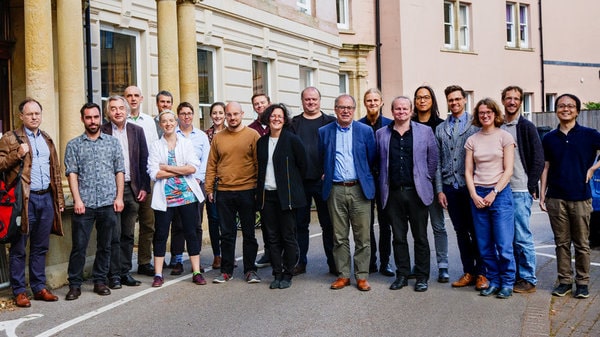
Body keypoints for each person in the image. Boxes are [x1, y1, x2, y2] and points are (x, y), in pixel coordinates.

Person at [0, 98, 64, 308]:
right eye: (29, 114)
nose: (34, 117)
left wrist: (59, 200)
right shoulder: (10, 138)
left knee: (40, 246)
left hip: (45, 198)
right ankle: (19, 291)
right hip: (23, 199)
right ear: (21, 116)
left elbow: (55, 173)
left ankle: (38, 287)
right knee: (19, 247)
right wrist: (17, 155)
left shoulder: (46, 139)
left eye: (37, 113)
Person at [540, 93, 600, 299]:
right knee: (561, 243)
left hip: (581, 197)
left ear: (577, 110)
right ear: (556, 110)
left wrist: (592, 169)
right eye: (561, 106)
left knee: (582, 243)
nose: (565, 109)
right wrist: (542, 195)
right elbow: (545, 167)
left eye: (570, 106)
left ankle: (582, 283)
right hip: (556, 197)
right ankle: (564, 281)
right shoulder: (548, 138)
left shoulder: (590, 134)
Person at [64, 102, 125, 300]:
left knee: (105, 245)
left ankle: (100, 280)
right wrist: (77, 200)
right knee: (79, 246)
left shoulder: (112, 143)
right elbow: (72, 174)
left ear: (101, 118)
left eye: (95, 117)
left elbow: (119, 171)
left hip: (108, 202)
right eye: (88, 117)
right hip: (85, 204)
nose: (92, 121)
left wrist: (119, 197)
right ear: (83, 119)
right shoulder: (74, 145)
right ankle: (74, 284)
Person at [377, 96, 438, 292]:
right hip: (393, 193)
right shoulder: (381, 134)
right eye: (397, 109)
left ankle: (421, 276)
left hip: (417, 193)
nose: (401, 111)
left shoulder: (425, 131)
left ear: (411, 110)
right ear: (392, 111)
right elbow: (378, 161)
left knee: (420, 236)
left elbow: (433, 159)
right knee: (399, 237)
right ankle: (402, 274)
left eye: (404, 108)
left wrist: (425, 178)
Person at [319, 94, 376, 291]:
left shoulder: (365, 131)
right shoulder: (324, 132)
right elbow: (320, 157)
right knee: (339, 236)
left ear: (354, 109)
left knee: (363, 236)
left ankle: (361, 276)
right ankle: (343, 275)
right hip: (335, 189)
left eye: (349, 107)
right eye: (341, 107)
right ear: (335, 110)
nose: (345, 111)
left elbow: (372, 159)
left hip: (359, 189)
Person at [435, 85, 488, 291]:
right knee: (460, 231)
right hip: (450, 187)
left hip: (473, 186)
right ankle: (469, 271)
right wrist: (440, 189)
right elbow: (438, 162)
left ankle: (482, 272)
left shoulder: (475, 125)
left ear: (464, 100)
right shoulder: (440, 129)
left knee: (478, 230)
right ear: (447, 102)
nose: (454, 103)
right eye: (451, 100)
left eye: (458, 99)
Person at [147, 110, 206, 287]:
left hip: (186, 196)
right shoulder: (156, 146)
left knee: (191, 233)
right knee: (161, 235)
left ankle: (196, 272)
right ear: (160, 125)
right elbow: (154, 172)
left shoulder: (186, 143)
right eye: (164, 121)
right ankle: (158, 274)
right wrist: (179, 168)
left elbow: (192, 168)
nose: (168, 124)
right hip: (165, 198)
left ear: (175, 122)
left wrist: (168, 167)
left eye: (171, 120)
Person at [465, 98, 516, 299]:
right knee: (484, 245)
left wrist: (494, 192)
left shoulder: (505, 137)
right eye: (481, 113)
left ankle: (508, 283)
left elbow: (509, 170)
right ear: (477, 116)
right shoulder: (472, 140)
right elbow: (468, 171)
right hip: (478, 194)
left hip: (500, 195)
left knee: (503, 245)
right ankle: (493, 281)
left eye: (489, 112)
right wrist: (474, 195)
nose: (485, 115)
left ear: (495, 114)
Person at [205, 101, 261, 284]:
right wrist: (209, 188)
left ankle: (250, 270)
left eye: (235, 114)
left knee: (249, 234)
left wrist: (257, 190)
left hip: (247, 190)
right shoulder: (218, 137)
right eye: (229, 115)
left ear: (242, 114)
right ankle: (226, 270)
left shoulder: (253, 135)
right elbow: (212, 164)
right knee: (226, 234)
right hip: (224, 191)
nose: (232, 118)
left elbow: (258, 164)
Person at [101, 95, 150, 289]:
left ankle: (124, 272)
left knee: (128, 234)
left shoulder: (137, 131)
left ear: (127, 110)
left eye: (121, 108)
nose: (118, 112)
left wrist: (144, 187)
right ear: (108, 112)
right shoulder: (103, 131)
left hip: (132, 188)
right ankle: (112, 274)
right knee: (113, 233)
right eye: (113, 108)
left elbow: (144, 160)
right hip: (110, 190)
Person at [256, 103, 307, 289]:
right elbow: (259, 169)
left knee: (288, 236)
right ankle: (276, 273)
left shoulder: (292, 140)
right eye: (273, 116)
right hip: (267, 196)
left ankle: (287, 273)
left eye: (280, 116)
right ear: (267, 118)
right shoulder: (261, 142)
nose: (276, 119)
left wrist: (292, 187)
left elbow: (303, 166)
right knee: (272, 237)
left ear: (284, 120)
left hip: (286, 197)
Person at [500, 86, 544, 293]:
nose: (512, 101)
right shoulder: (498, 126)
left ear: (520, 102)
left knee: (521, 235)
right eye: (508, 98)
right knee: (505, 237)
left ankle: (528, 278)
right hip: (499, 189)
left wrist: (531, 184)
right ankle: (514, 275)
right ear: (503, 101)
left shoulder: (526, 126)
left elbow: (538, 158)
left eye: (516, 99)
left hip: (519, 189)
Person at [290, 86, 337, 276]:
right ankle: (300, 262)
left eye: (314, 99)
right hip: (301, 182)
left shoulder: (330, 122)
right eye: (307, 99)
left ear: (320, 100)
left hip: (323, 181)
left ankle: (333, 262)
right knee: (300, 225)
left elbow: (337, 149)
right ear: (302, 101)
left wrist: (329, 170)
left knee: (328, 224)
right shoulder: (293, 124)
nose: (311, 102)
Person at [412, 85, 449, 283]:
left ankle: (443, 265)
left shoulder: (440, 125)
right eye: (418, 97)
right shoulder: (408, 124)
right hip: (415, 184)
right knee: (418, 228)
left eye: (426, 97)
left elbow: (442, 157)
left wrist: (440, 188)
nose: (422, 101)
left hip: (436, 183)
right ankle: (419, 264)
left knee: (438, 225)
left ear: (432, 100)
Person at [168, 102, 210, 275]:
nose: (186, 116)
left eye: (189, 113)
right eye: (183, 113)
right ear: (178, 115)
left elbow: (206, 161)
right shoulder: (172, 135)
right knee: (178, 224)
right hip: (177, 185)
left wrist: (199, 179)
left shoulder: (201, 136)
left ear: (193, 115)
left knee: (196, 224)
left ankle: (196, 259)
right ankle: (177, 259)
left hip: (197, 184)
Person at [358, 88, 394, 277]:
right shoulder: (358, 126)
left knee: (385, 223)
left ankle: (386, 261)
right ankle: (370, 261)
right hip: (364, 181)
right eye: (369, 100)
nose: (372, 103)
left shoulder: (390, 124)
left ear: (381, 102)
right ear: (364, 103)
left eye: (375, 100)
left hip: (385, 181)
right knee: (366, 224)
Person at [124, 85, 159, 277]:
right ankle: (125, 265)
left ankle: (145, 261)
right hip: (127, 181)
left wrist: (152, 177)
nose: (133, 99)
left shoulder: (149, 122)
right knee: (126, 227)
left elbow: (153, 149)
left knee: (148, 223)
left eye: (136, 95)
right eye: (129, 96)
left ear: (142, 98)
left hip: (146, 179)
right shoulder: (120, 121)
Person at [249, 93, 272, 268]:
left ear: (268, 103)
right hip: (261, 181)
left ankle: (287, 253)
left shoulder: (280, 123)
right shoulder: (251, 129)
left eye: (262, 102)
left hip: (280, 179)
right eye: (256, 104)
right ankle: (269, 253)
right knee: (266, 221)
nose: (259, 106)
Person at [205, 102, 226, 269]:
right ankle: (217, 255)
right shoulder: (205, 135)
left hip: (228, 183)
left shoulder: (231, 132)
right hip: (212, 183)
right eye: (215, 113)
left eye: (221, 112)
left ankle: (228, 253)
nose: (217, 115)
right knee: (213, 219)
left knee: (227, 220)